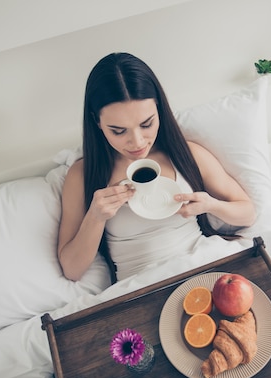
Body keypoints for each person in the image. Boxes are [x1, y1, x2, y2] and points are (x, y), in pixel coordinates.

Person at [57, 52, 256, 283]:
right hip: (141, 287)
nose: (138, 142)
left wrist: (210, 205)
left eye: (146, 124)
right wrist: (95, 216)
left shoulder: (185, 154)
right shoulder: (82, 175)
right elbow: (72, 270)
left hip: (204, 263)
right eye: (118, 131)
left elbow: (248, 213)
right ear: (97, 122)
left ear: (159, 110)